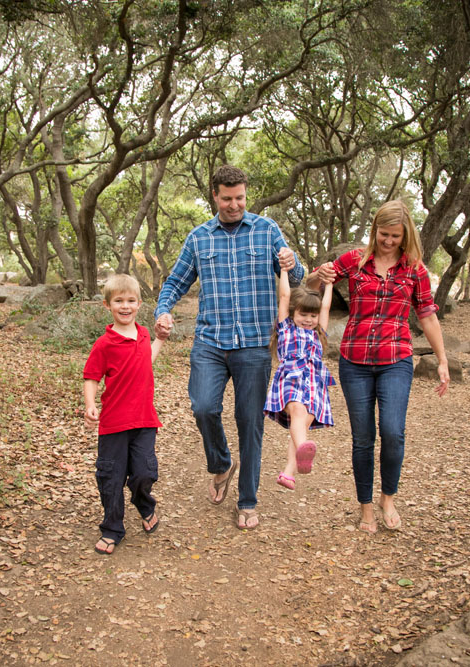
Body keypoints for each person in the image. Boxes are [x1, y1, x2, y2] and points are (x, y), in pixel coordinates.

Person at [154, 165, 304, 530]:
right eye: (227, 198)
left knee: (249, 422)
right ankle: (221, 464)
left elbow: (297, 279)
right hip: (210, 340)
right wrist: (163, 309)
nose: (234, 205)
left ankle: (247, 500)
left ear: (245, 195)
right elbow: (177, 280)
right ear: (215, 197)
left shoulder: (267, 230)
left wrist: (292, 262)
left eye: (240, 198)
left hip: (254, 343)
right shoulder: (199, 238)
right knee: (203, 406)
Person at [312, 200, 449, 535]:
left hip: (396, 359)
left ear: (406, 236)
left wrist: (442, 360)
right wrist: (320, 274)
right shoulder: (355, 260)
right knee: (363, 438)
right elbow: (312, 288)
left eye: (395, 236)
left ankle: (389, 497)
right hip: (354, 360)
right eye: (383, 234)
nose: (388, 241)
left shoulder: (415, 269)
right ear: (374, 230)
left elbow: (427, 315)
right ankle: (366, 508)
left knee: (392, 431)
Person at [83, 274, 165, 555]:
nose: (125, 306)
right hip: (114, 424)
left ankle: (144, 504)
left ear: (139, 304)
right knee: (111, 477)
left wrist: (160, 340)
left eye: (131, 300)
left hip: (144, 421)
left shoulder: (143, 334)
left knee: (144, 472)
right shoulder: (104, 344)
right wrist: (90, 404)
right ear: (108, 305)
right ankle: (112, 527)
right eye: (119, 301)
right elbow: (91, 376)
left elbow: (146, 359)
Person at [264, 266, 335, 491]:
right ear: (294, 313)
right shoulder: (286, 329)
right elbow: (285, 296)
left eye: (312, 315)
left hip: (315, 384)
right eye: (303, 314)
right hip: (291, 379)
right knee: (297, 412)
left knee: (301, 425)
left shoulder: (319, 333)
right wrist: (284, 271)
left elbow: (325, 306)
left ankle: (288, 473)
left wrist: (330, 284)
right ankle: (304, 448)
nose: (308, 319)